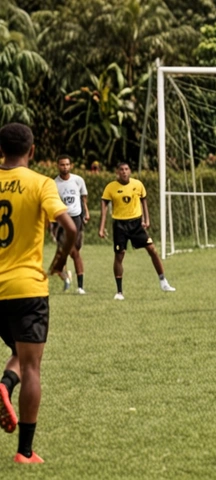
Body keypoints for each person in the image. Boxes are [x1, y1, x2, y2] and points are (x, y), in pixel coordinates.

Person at [0, 123, 77, 463]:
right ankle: (25, 452)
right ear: (31, 151)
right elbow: (69, 227)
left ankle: (4, 384)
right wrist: (59, 261)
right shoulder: (41, 183)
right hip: (27, 288)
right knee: (31, 366)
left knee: (17, 352)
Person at [98, 162, 175, 300]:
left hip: (136, 224)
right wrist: (102, 227)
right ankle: (119, 291)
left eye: (126, 169)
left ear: (130, 171)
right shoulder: (110, 187)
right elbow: (104, 206)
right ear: (117, 171)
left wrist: (147, 219)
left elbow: (144, 201)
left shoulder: (137, 184)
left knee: (152, 250)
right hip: (119, 225)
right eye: (121, 169)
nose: (124, 172)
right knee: (119, 255)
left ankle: (163, 282)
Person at [52, 154, 90, 294]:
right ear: (58, 166)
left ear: (71, 165)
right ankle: (74, 283)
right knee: (69, 252)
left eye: (67, 164)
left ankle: (77, 283)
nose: (65, 167)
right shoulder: (54, 184)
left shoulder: (78, 180)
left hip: (77, 219)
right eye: (62, 164)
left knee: (75, 252)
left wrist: (86, 212)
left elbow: (83, 197)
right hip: (63, 220)